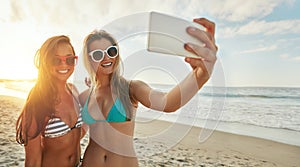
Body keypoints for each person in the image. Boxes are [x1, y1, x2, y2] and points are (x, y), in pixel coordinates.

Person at [79, 17, 218, 166]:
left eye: (111, 51)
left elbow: (167, 102)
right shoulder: (84, 97)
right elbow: (77, 133)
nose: (106, 57)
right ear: (89, 59)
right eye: (98, 54)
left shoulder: (131, 89)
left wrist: (201, 74)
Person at [16, 35, 85, 167]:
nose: (64, 64)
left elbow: (73, 134)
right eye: (56, 60)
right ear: (45, 62)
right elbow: (33, 161)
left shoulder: (73, 90)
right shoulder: (37, 102)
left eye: (69, 59)